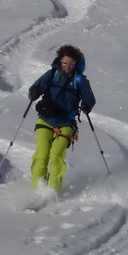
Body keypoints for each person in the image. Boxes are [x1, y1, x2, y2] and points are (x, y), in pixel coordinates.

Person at [27, 44, 96, 194]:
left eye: (71, 64)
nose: (67, 67)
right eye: (65, 63)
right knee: (42, 156)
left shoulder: (80, 80)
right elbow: (36, 87)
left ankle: (51, 192)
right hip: (45, 120)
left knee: (56, 156)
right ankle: (37, 191)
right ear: (60, 61)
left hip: (66, 123)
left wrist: (87, 105)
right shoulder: (51, 74)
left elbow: (89, 98)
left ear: (76, 64)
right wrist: (34, 92)